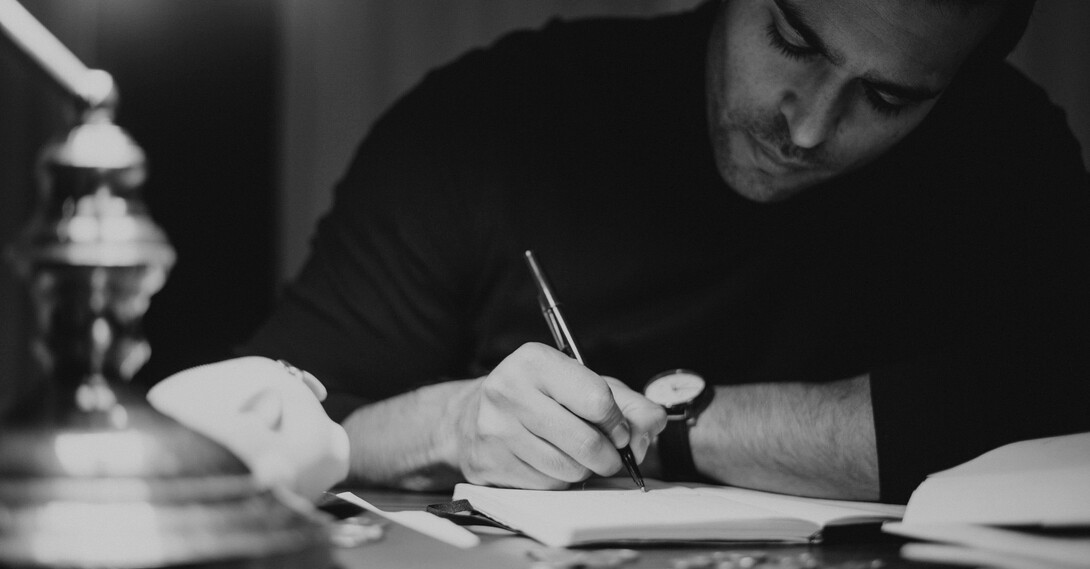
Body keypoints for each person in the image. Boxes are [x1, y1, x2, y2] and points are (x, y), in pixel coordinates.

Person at [229, 0, 1090, 504]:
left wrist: (676, 432)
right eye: (793, 41)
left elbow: (1049, 412)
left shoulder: (1003, 156)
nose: (809, 126)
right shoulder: (499, 121)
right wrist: (454, 424)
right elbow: (261, 420)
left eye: (888, 96)